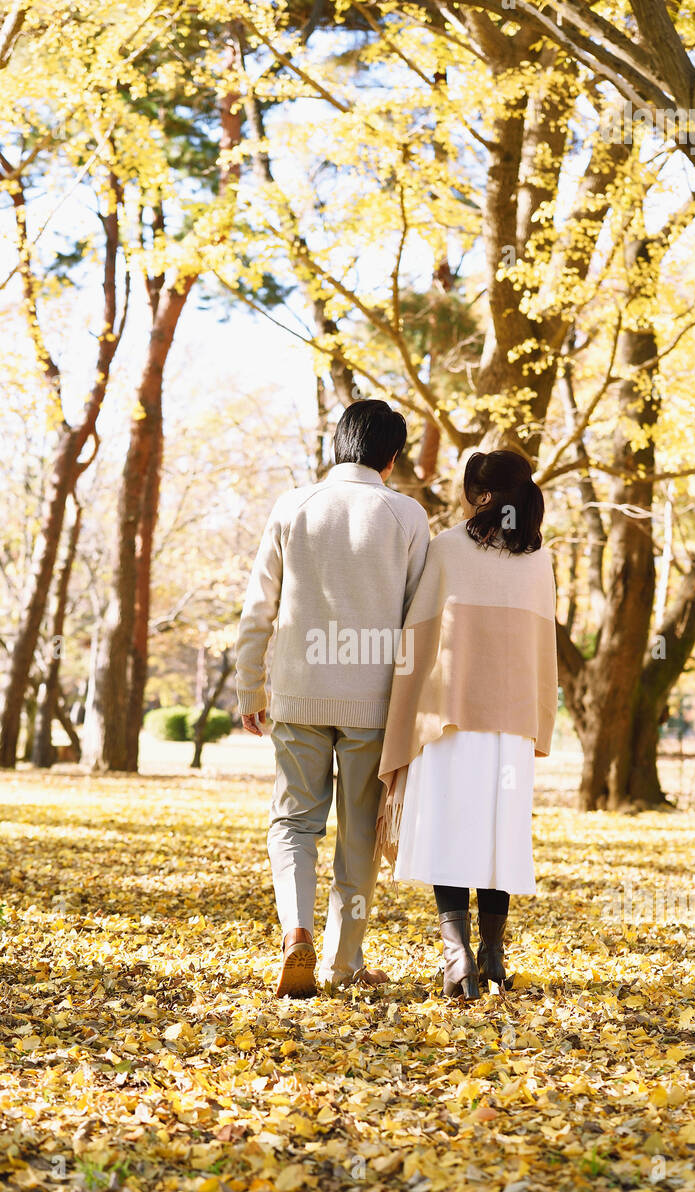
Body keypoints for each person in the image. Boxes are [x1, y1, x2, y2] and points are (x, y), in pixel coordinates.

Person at [235, 400, 430, 997]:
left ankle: (295, 933)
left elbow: (258, 606)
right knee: (359, 834)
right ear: (390, 459)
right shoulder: (407, 516)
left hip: (299, 696)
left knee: (293, 822)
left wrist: (251, 685)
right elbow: (418, 622)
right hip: (374, 705)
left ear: (338, 444)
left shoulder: (293, 506)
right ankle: (342, 962)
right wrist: (414, 708)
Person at [377, 446, 557, 999]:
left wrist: (401, 711)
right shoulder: (538, 559)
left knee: (452, 833)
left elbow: (418, 634)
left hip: (450, 721)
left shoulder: (448, 549)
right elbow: (543, 650)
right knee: (498, 839)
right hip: (511, 726)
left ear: (479, 497)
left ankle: (457, 961)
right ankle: (494, 958)